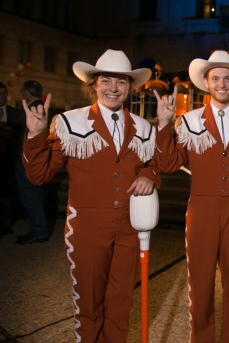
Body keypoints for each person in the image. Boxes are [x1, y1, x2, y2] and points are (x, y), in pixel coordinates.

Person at [21, 49, 160, 342]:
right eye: (106, 81)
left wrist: (149, 175)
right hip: (86, 229)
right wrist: (35, 136)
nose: (113, 88)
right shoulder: (71, 122)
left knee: (121, 306)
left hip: (129, 229)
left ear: (129, 87)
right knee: (90, 307)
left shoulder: (144, 128)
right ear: (94, 84)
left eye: (121, 82)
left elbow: (152, 164)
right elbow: (39, 175)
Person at [154, 50, 229, 343]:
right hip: (201, 207)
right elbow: (168, 164)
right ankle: (201, 338)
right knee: (199, 281)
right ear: (207, 82)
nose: (222, 84)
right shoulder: (189, 121)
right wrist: (163, 125)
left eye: (227, 78)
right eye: (216, 78)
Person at [15, 80, 49, 244]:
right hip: (34, 158)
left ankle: (38, 231)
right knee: (35, 194)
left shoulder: (33, 108)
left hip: (28, 159)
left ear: (27, 91)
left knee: (30, 194)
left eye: (23, 90)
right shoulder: (39, 106)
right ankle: (39, 230)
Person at [0, 81, 23, 236]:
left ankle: (5, 225)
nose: (3, 96)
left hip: (9, 162)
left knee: (6, 195)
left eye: (4, 93)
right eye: (0, 94)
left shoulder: (15, 113)